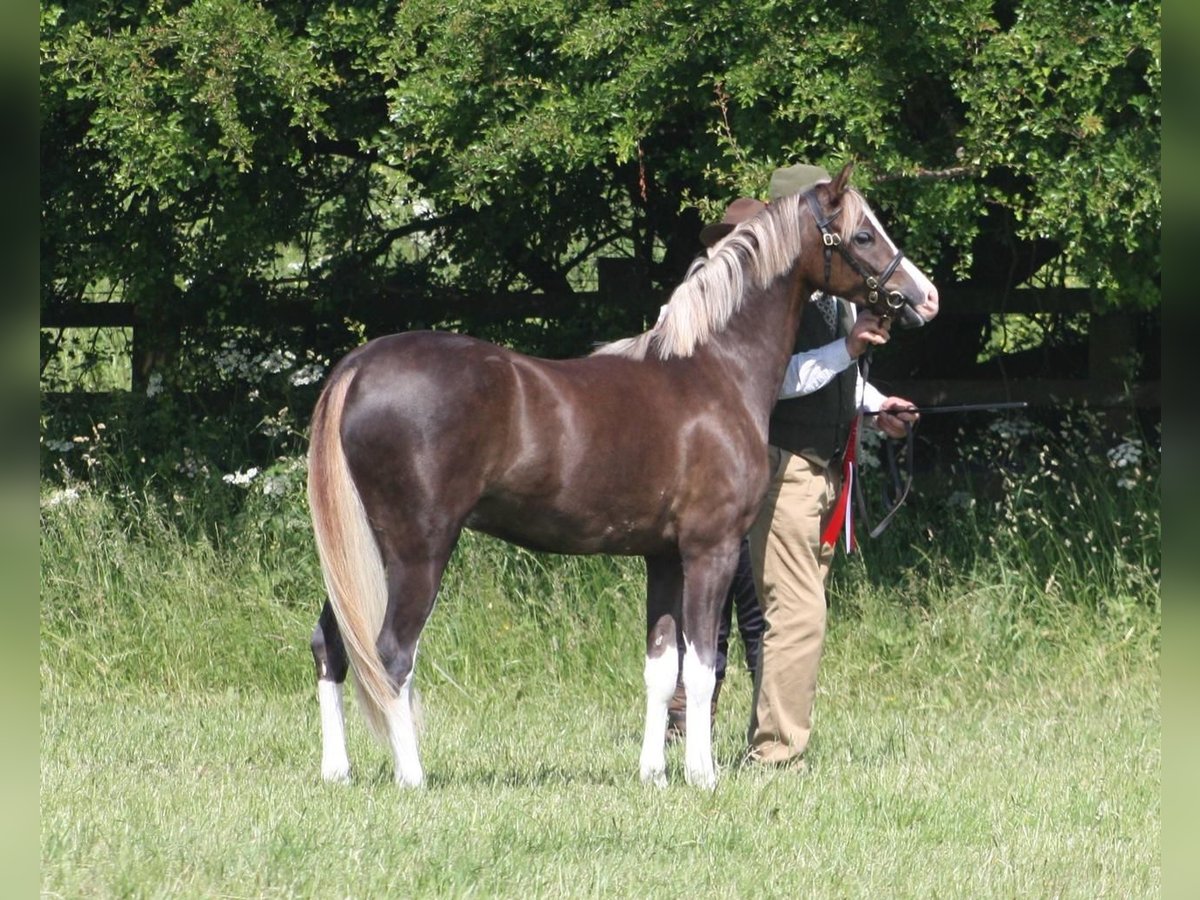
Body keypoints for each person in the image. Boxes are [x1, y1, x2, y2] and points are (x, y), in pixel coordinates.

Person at [745, 163, 919, 768]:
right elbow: (772, 384)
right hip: (784, 464)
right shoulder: (768, 295)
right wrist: (848, 347)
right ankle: (774, 757)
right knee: (797, 614)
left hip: (824, 467)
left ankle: (771, 743)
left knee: (796, 612)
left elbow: (834, 374)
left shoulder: (833, 288)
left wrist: (875, 407)